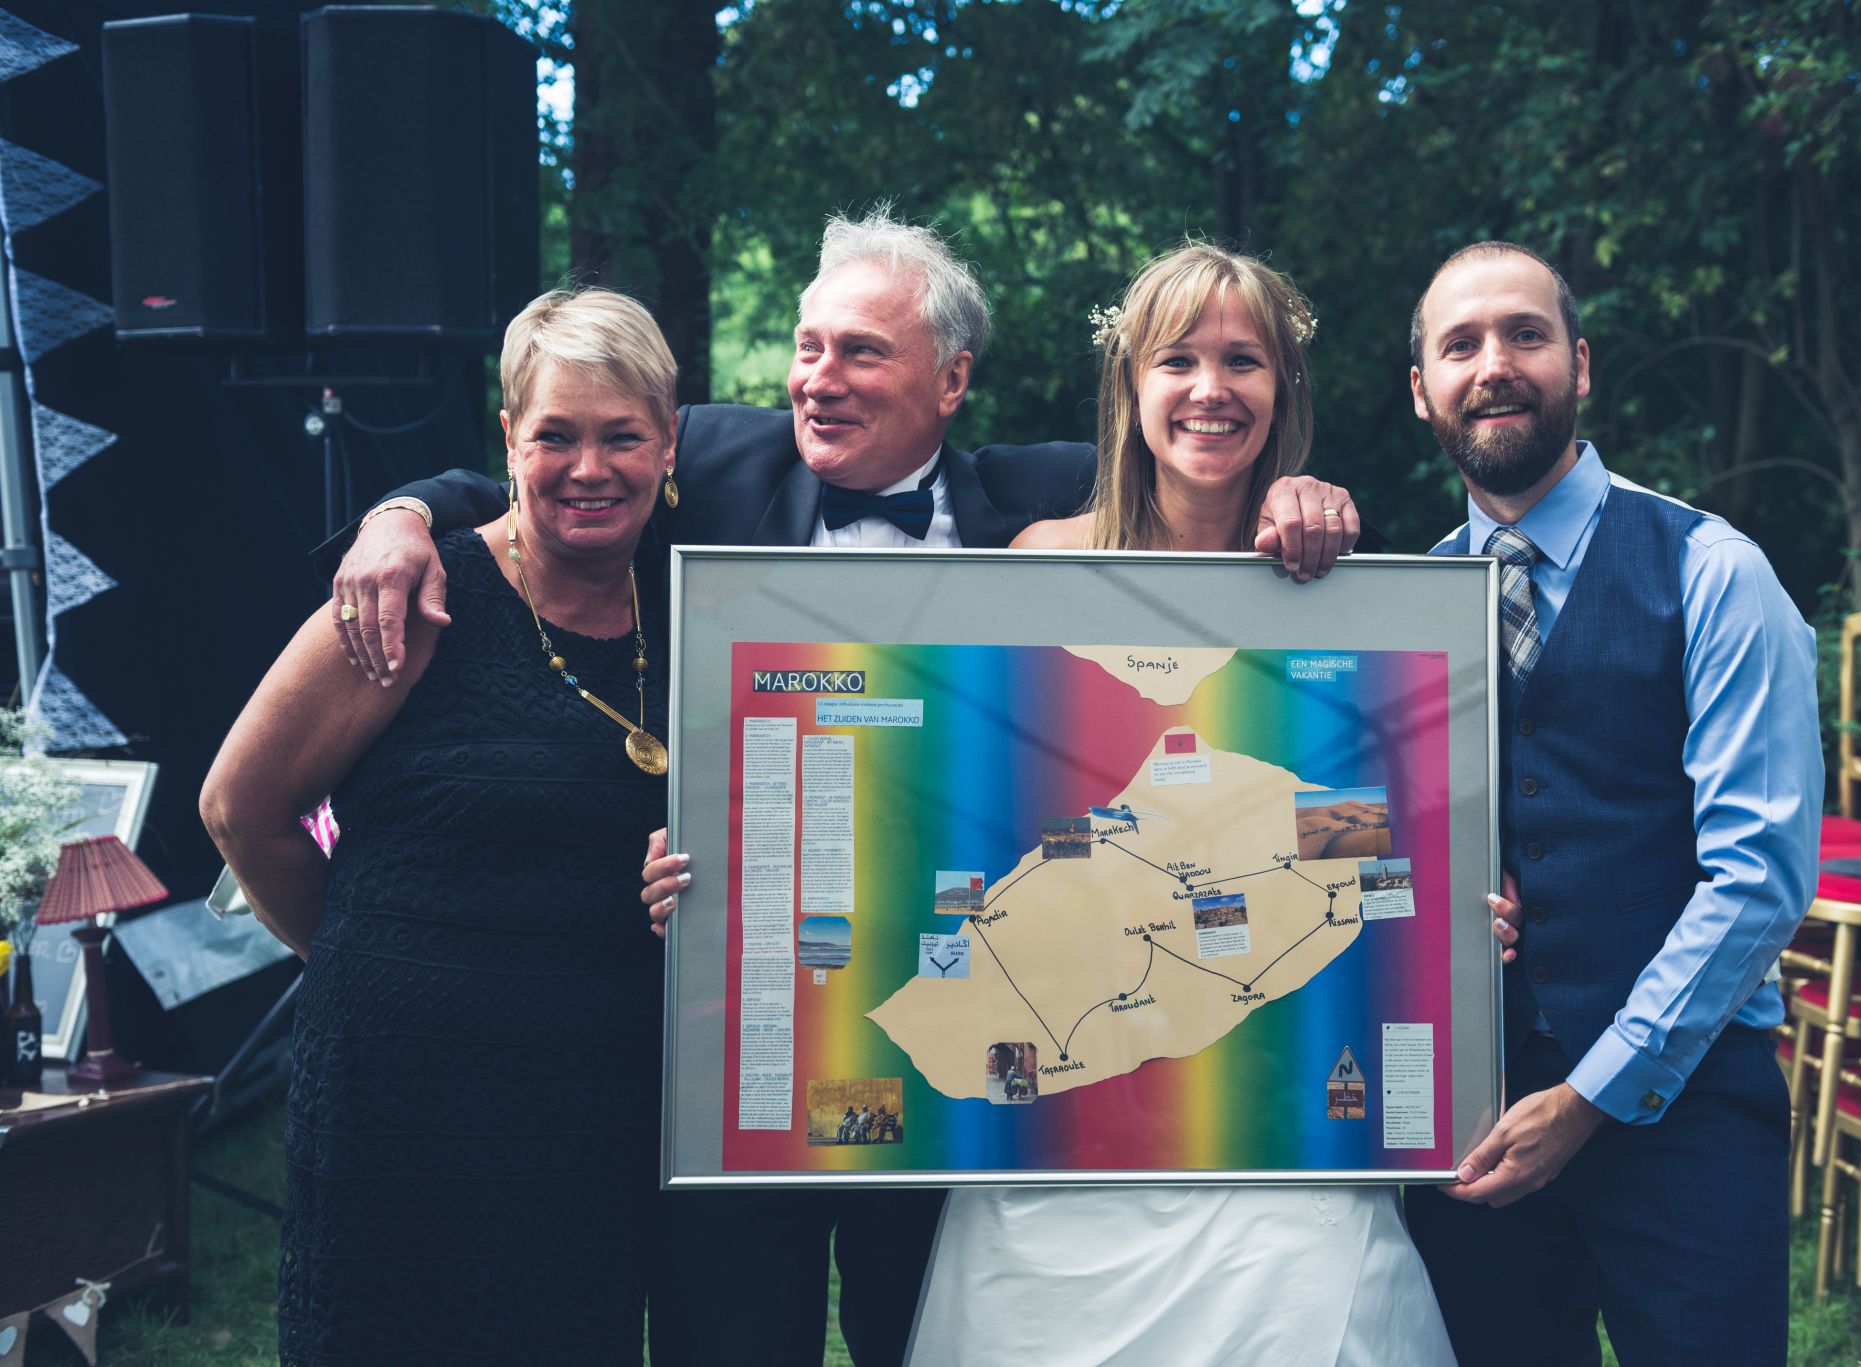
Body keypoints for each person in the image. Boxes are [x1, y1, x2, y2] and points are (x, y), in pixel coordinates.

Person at [337, 208, 1370, 1367]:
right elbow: (541, 451)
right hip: (749, 1017)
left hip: (950, 1014)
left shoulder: (1039, 501)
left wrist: (1300, 492)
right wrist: (402, 511)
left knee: (917, 1326)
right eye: (807, 346)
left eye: (861, 352)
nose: (817, 379)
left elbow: (1196, 467)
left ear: (951, 379)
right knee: (727, 1339)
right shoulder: (706, 459)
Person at [898, 242, 1459, 1367]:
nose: (1211, 388)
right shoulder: (1038, 565)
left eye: (1243, 360)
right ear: (1130, 384)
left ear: (1282, 391)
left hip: (1274, 1111)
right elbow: (970, 802)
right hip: (1063, 1113)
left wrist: (1438, 898)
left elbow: (1369, 819)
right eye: (1178, 359)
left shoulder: (1343, 591)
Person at [201, 288, 677, 1363]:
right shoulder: (416, 593)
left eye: (621, 436)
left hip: (590, 1111)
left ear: (669, 440)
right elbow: (238, 806)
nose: (589, 468)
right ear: (508, 439)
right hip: (398, 1100)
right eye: (554, 435)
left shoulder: (696, 600)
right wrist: (357, 948)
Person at [1399, 241, 1822, 1366]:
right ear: (1422, 390)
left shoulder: (1714, 571)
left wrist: (1589, 1096)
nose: (1494, 364)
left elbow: (1759, 879)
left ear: (1578, 365)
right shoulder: (1405, 607)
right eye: (1460, 345)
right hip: (1478, 1115)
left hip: (1687, 1108)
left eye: (1525, 335)